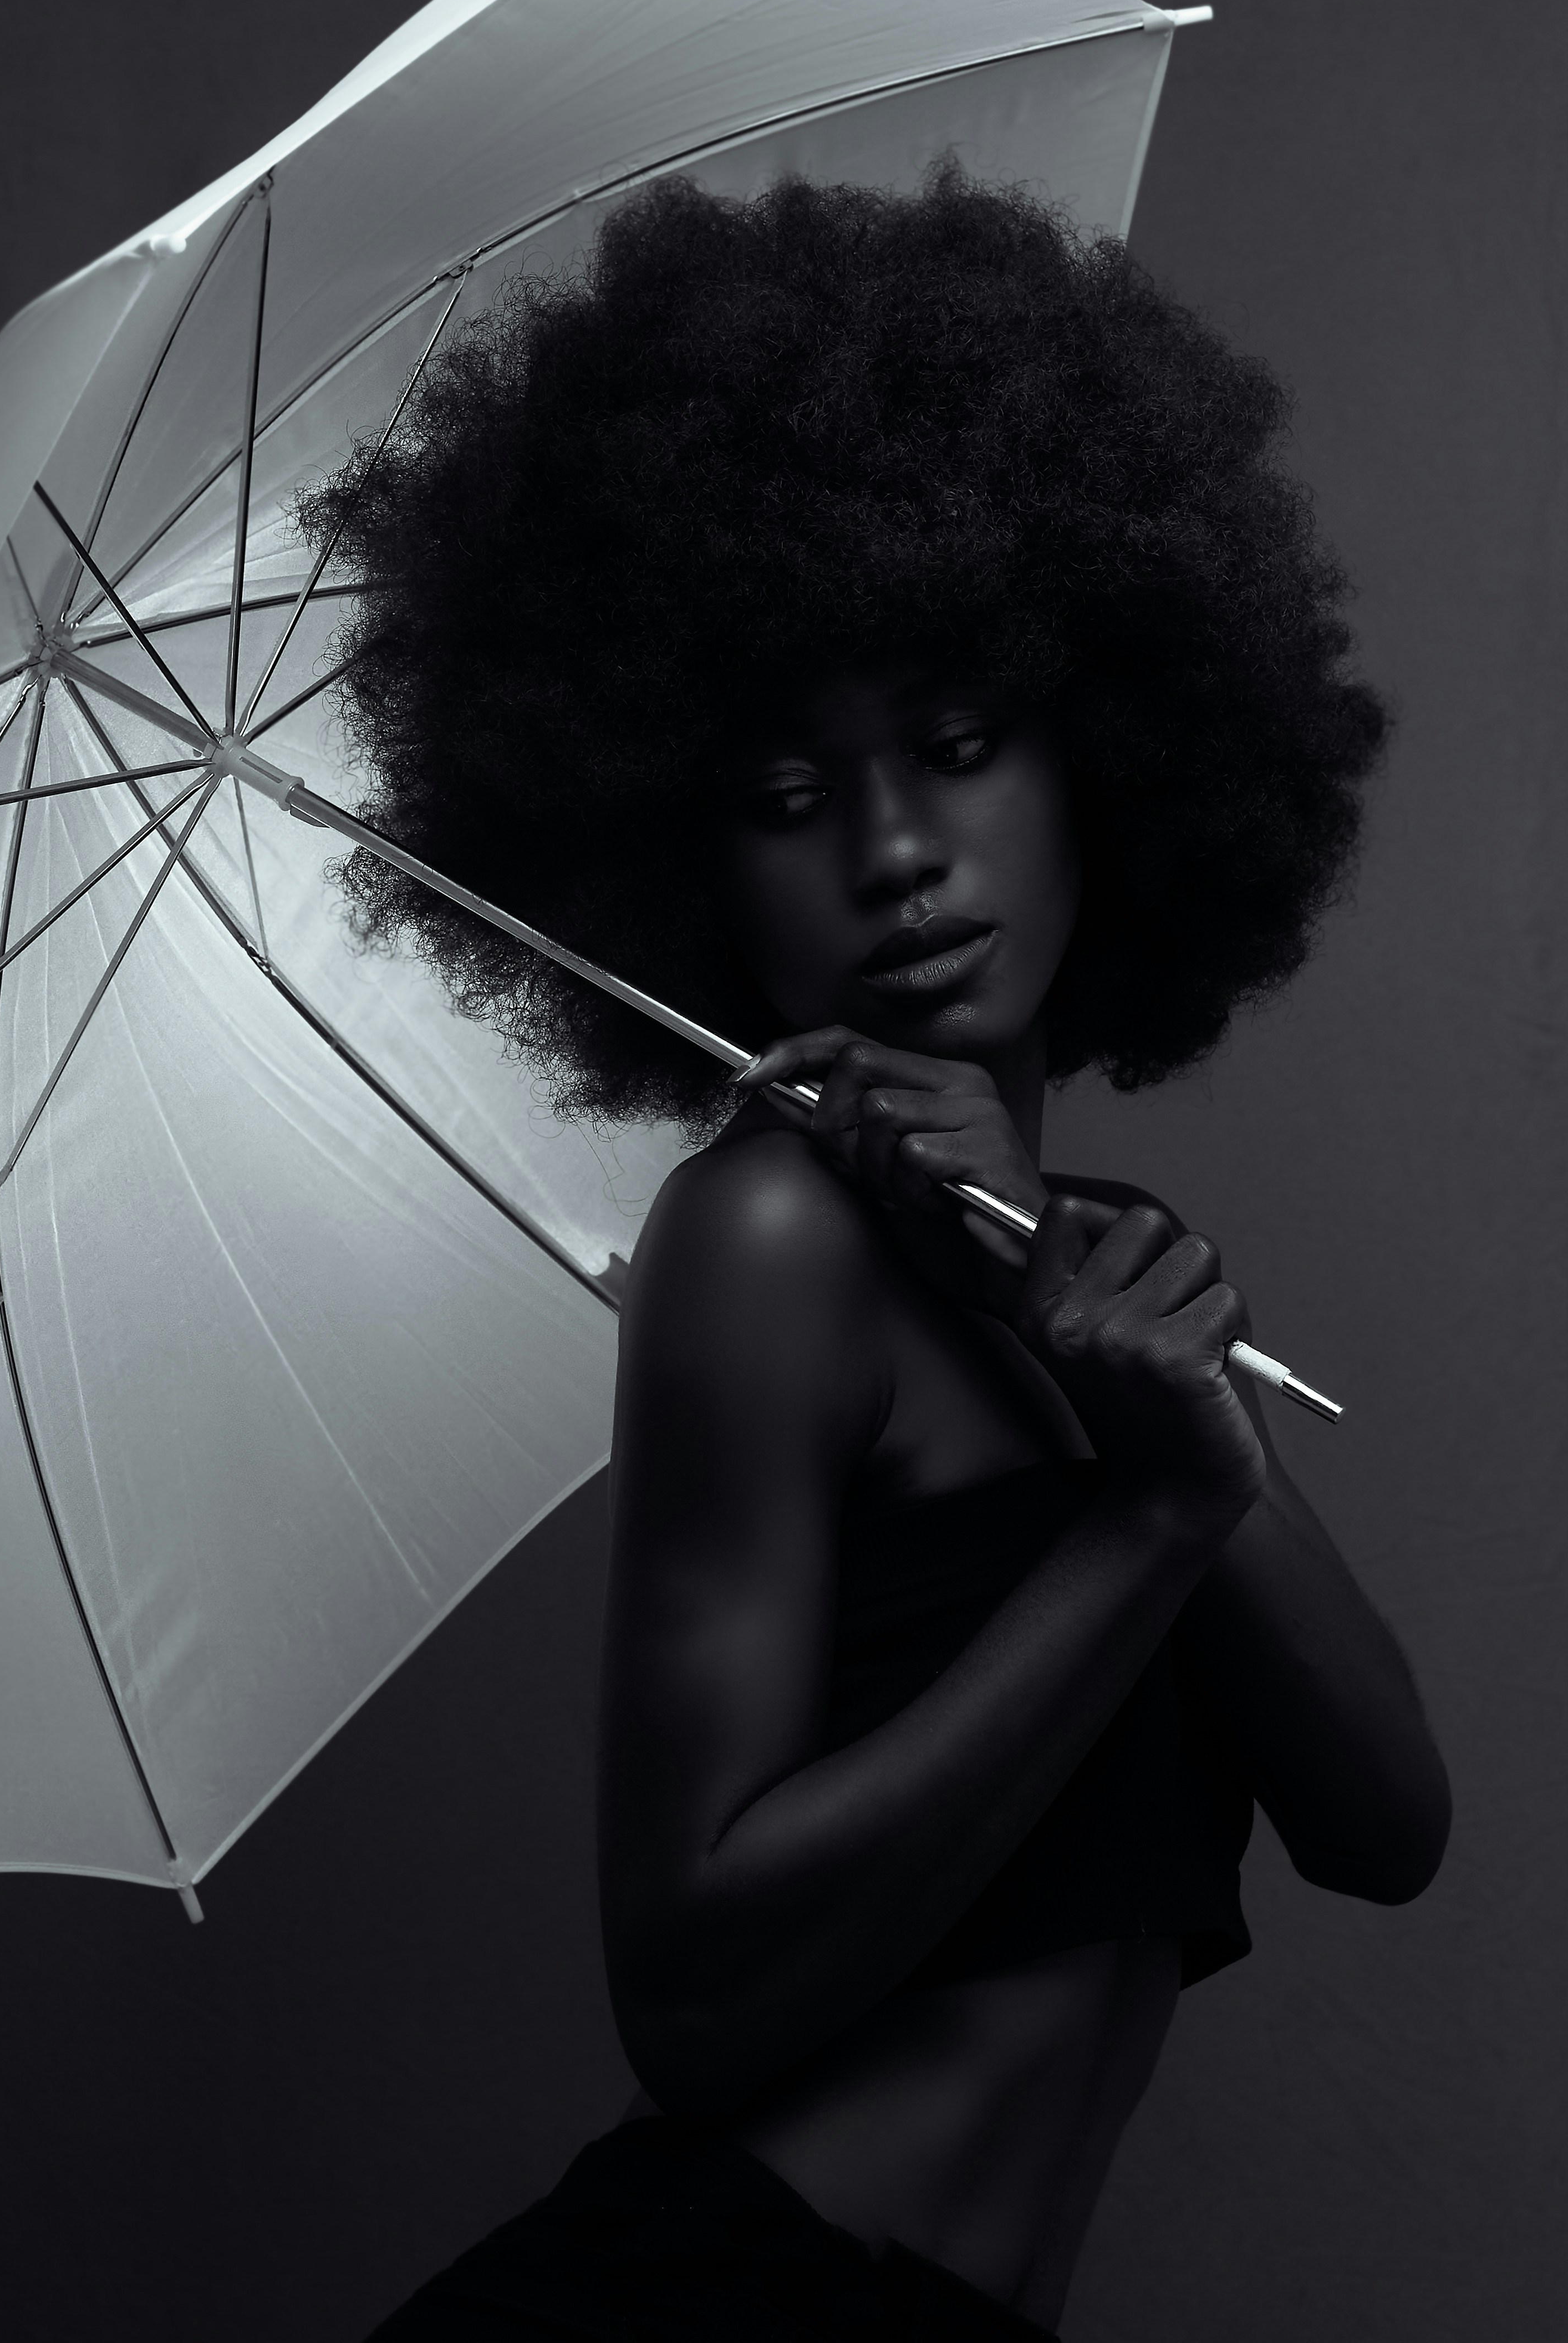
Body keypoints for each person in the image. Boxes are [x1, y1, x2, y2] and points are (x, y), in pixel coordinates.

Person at [308, 170, 1453, 2340]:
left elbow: (1387, 1821)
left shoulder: (1090, 1267)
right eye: (783, 791)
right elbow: (695, 1994)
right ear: (664, 847)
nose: (901, 857)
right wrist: (1145, 1522)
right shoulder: (763, 1238)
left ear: (1104, 746)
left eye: (955, 745)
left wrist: (1182, 1434)